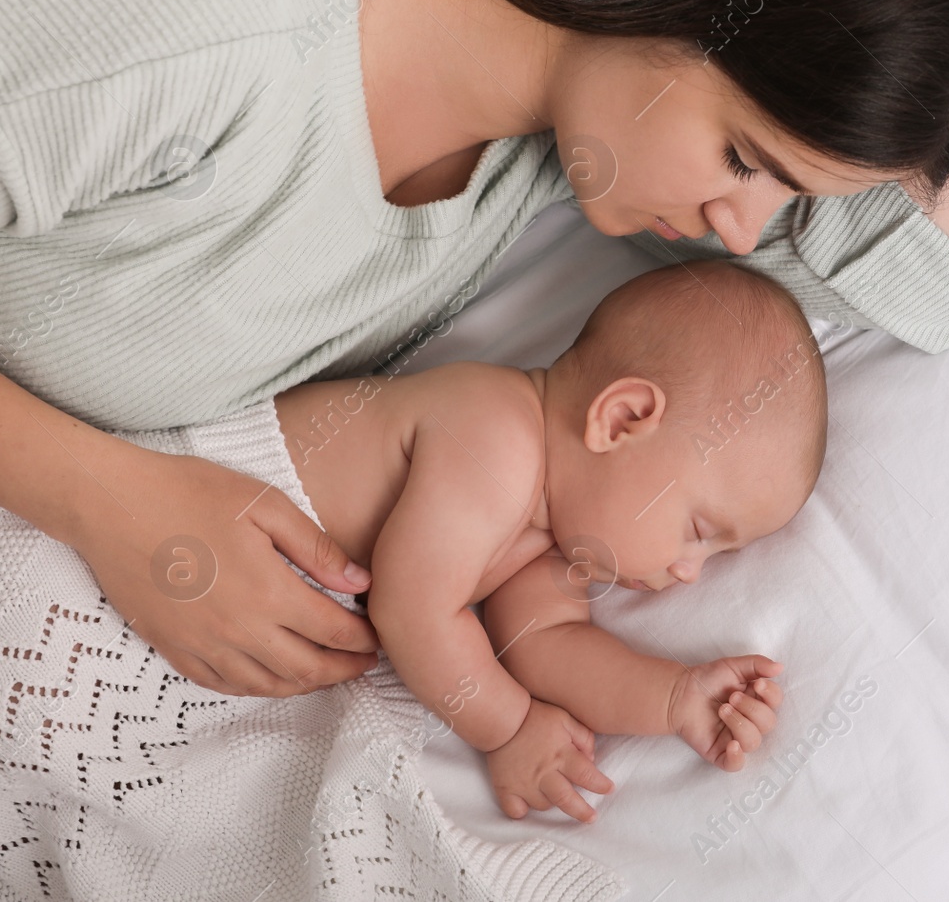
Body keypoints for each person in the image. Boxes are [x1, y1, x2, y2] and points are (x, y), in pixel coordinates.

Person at [0, 0, 949, 700]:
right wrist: (105, 498)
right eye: (743, 157)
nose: (740, 232)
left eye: (787, 193)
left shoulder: (553, 143)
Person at [274, 259, 825, 821]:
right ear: (621, 420)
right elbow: (412, 609)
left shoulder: (549, 537)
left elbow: (549, 651)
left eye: (714, 556)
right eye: (699, 533)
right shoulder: (493, 434)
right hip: (230, 505)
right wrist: (509, 728)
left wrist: (676, 699)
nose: (688, 572)